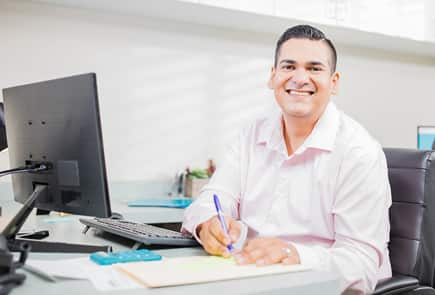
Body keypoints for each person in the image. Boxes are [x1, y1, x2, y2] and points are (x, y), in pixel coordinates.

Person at [182, 24, 391, 294]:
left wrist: (293, 254)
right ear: (273, 77)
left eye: (314, 68)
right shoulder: (252, 135)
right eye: (289, 66)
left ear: (334, 82)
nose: (300, 78)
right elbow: (211, 199)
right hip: (253, 278)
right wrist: (208, 224)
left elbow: (360, 264)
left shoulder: (359, 152)